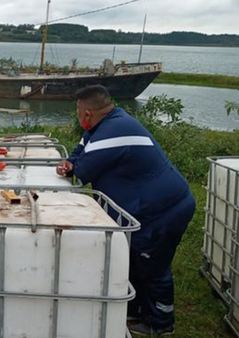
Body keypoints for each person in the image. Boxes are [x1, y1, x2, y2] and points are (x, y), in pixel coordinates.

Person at [56, 85, 195, 336]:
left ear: (86, 114)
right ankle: (137, 309)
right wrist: (70, 161)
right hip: (148, 209)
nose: (78, 116)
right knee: (134, 260)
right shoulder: (103, 126)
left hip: (164, 210)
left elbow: (84, 169)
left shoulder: (116, 131)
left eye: (78, 111)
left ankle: (161, 322)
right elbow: (80, 152)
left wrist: (72, 166)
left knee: (152, 266)